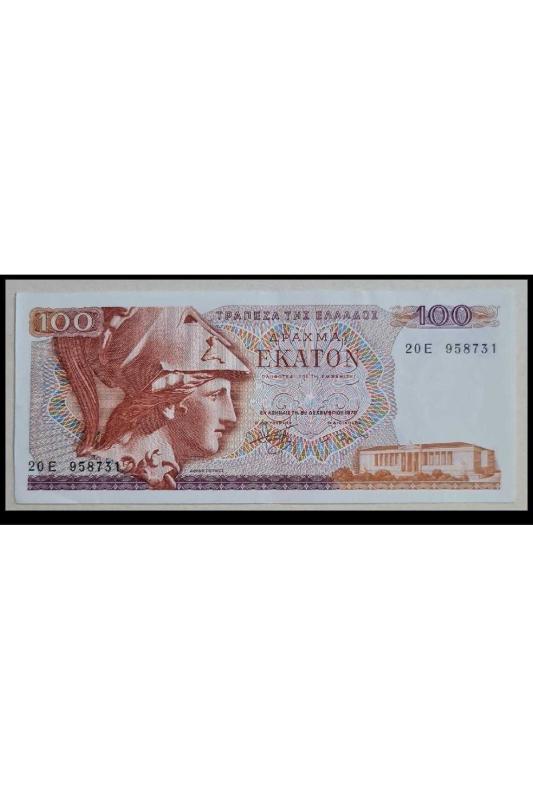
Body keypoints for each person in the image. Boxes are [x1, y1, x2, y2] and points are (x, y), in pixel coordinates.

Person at [55, 306, 250, 488]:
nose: (231, 417)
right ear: (168, 404)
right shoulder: (108, 469)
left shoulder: (157, 472)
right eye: (214, 396)